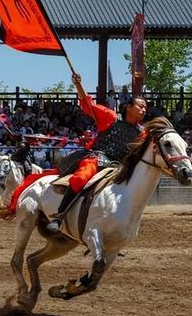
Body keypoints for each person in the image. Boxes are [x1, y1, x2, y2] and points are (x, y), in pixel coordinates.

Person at [47, 73, 146, 233]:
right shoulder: (111, 117)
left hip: (119, 167)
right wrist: (78, 85)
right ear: (129, 107)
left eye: (145, 108)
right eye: (140, 106)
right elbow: (88, 104)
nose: (143, 110)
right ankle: (59, 216)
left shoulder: (142, 133)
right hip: (97, 158)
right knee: (81, 177)